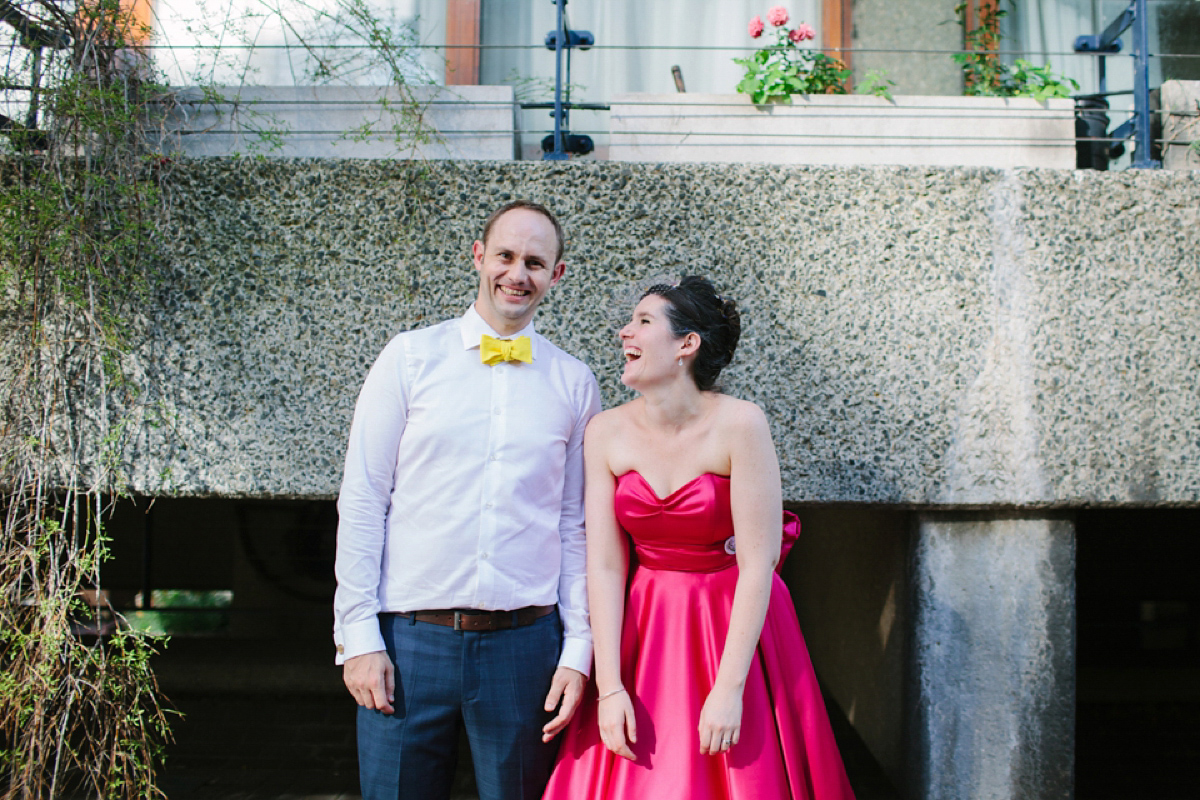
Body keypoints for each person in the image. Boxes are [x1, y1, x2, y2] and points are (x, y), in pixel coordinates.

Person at [542, 276, 855, 799]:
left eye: (643, 322)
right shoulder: (605, 432)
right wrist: (611, 686)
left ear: (686, 345)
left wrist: (731, 688)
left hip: (732, 621)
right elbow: (605, 565)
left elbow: (760, 562)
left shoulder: (741, 424)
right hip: (647, 623)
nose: (625, 332)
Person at [333, 201, 601, 800]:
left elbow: (575, 526)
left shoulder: (575, 383)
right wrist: (358, 637)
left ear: (556, 275)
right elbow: (363, 500)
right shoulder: (408, 358)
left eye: (535, 262)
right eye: (505, 255)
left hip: (526, 649)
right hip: (407, 643)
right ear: (479, 257)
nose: (517, 273)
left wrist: (578, 649)